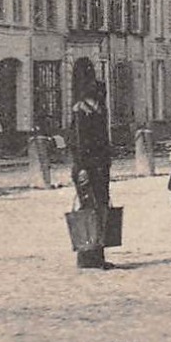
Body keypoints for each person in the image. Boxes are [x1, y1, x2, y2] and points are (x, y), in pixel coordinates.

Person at [69, 80, 113, 270]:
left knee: (101, 210)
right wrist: (82, 168)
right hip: (86, 169)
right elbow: (78, 143)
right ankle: (86, 256)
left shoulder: (98, 110)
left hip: (100, 169)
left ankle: (98, 254)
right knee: (89, 211)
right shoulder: (81, 112)